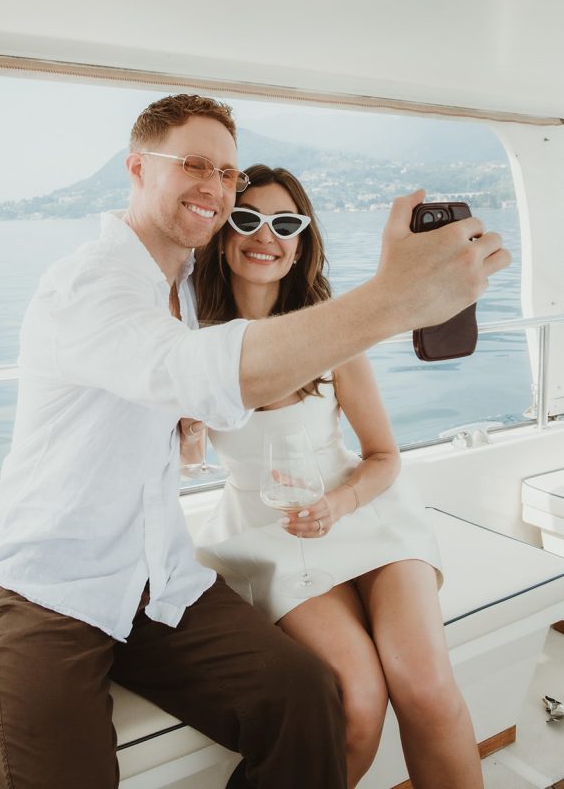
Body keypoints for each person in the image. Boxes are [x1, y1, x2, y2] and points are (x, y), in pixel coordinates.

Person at [0, 94, 508, 789]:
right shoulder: (88, 286)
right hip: (44, 586)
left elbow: (223, 370)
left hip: (157, 578)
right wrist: (394, 299)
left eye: (226, 173)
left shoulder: (193, 288)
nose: (216, 187)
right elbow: (195, 370)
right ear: (136, 168)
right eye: (194, 164)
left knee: (311, 700)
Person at [191, 164, 485, 789]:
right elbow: (179, 455)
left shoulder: (334, 332)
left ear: (300, 245)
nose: (265, 235)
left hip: (366, 512)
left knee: (426, 688)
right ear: (221, 236)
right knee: (357, 701)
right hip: (270, 534)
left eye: (285, 224)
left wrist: (341, 505)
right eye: (246, 218)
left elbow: (383, 457)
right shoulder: (195, 347)